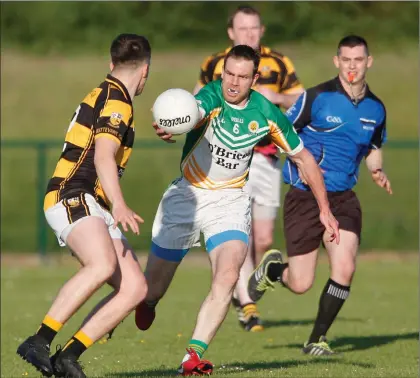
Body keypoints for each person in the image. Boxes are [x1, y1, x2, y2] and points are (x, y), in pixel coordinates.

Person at [135, 45, 339, 376]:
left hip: (229, 201)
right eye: (229, 73)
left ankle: (192, 358)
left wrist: (325, 210)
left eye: (242, 77)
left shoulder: (267, 114)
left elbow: (304, 159)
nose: (233, 82)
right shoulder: (212, 96)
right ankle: (148, 302)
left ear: (254, 79)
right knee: (151, 290)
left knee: (228, 275)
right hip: (187, 194)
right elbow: (192, 112)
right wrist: (170, 125)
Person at [16, 34, 151, 378]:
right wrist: (120, 205)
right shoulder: (119, 101)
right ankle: (39, 341)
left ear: (112, 64)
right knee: (102, 264)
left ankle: (69, 356)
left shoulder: (105, 92)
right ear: (145, 70)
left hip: (91, 201)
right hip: (71, 193)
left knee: (135, 287)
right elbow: (103, 156)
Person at [248, 35, 392, 356]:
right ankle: (273, 271)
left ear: (368, 62)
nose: (352, 66)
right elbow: (282, 130)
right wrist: (298, 163)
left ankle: (316, 340)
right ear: (336, 61)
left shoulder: (376, 108)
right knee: (300, 284)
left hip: (342, 198)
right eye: (346, 59)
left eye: (358, 60)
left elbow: (373, 144)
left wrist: (376, 169)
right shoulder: (316, 97)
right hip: (304, 196)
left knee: (345, 268)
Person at [193, 4, 305, 332]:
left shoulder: (279, 62)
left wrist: (277, 96)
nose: (250, 34)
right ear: (231, 33)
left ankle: (248, 290)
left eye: (254, 28)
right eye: (243, 29)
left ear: (262, 30)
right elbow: (196, 100)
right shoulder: (215, 64)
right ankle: (248, 306)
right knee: (238, 233)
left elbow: (301, 100)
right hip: (227, 160)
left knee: (264, 239)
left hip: (267, 158)